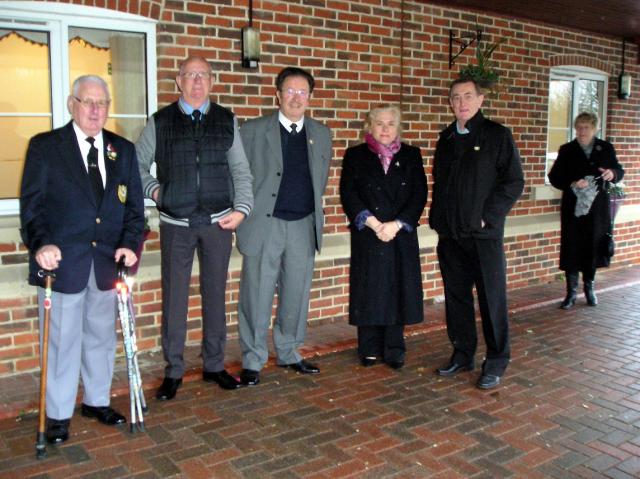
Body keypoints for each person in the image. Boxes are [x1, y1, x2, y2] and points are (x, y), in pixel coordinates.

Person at [20, 75, 145, 443]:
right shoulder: (46, 147)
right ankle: (58, 414)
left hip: (107, 262)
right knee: (61, 342)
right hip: (63, 263)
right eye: (87, 102)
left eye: (102, 103)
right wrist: (41, 243)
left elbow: (134, 210)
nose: (95, 109)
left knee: (101, 337)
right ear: (72, 104)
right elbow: (33, 207)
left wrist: (129, 244)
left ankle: (96, 400)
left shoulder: (122, 150)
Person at [136, 56, 254, 401]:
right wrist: (157, 192)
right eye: (190, 76)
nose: (197, 82)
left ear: (212, 81)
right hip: (177, 224)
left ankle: (214, 365)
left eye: (203, 76)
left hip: (219, 222)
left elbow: (241, 172)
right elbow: (138, 166)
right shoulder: (160, 122)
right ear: (179, 81)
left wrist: (242, 210)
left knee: (215, 294)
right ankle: (173, 371)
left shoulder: (226, 120)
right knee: (174, 298)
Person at [235, 67, 332, 386]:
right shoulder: (251, 131)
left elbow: (321, 177)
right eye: (289, 91)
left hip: (303, 225)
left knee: (296, 294)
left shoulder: (321, 133)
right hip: (265, 224)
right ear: (277, 95)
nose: (296, 97)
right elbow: (237, 176)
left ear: (310, 97)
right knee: (256, 293)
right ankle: (253, 358)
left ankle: (289, 351)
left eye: (302, 92)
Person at [429, 78, 524, 390]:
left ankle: (496, 362)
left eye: (468, 96)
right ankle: (463, 353)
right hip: (451, 235)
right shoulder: (446, 139)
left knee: (491, 300)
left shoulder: (497, 135)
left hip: (484, 236)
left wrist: (488, 217)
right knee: (456, 299)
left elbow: (513, 181)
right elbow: (441, 183)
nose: (461, 103)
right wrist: (439, 220)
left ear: (480, 100)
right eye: (455, 98)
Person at [339, 105, 428, 369]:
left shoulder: (412, 155)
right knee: (369, 289)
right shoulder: (355, 155)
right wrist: (375, 223)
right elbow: (349, 193)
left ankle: (394, 347)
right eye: (379, 123)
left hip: (399, 234)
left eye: (391, 123)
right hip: (369, 232)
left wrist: (397, 224)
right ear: (370, 126)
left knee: (396, 289)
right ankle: (367, 347)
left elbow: (419, 194)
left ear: (398, 127)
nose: (385, 129)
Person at [548, 112, 624, 309]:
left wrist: (612, 173)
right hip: (574, 209)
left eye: (586, 128)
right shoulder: (567, 150)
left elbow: (619, 171)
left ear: (594, 128)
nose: (582, 131)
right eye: (579, 127)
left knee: (593, 248)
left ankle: (589, 288)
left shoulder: (605, 148)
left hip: (597, 209)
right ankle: (571, 293)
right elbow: (555, 176)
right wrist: (572, 182)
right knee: (572, 248)